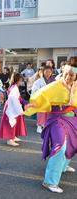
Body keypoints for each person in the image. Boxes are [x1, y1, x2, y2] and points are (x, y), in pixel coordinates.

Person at [24, 57, 77, 193]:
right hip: (57, 119)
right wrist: (33, 104)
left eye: (72, 75)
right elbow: (39, 95)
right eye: (66, 74)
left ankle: (63, 166)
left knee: (73, 143)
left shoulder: (76, 87)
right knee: (60, 145)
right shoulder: (56, 86)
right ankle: (50, 181)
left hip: (72, 119)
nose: (68, 77)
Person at [0, 73, 28, 146]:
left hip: (13, 106)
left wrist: (24, 102)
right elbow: (14, 99)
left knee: (14, 122)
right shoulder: (14, 88)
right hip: (11, 107)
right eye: (21, 80)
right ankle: (10, 139)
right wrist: (20, 108)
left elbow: (18, 98)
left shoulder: (14, 87)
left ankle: (13, 136)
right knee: (11, 122)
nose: (21, 82)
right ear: (18, 80)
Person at [31, 66, 55, 133]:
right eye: (46, 71)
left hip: (49, 100)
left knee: (48, 113)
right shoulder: (38, 81)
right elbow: (34, 90)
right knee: (41, 113)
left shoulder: (54, 81)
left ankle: (45, 125)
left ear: (51, 73)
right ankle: (39, 126)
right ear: (43, 72)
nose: (48, 73)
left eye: (49, 72)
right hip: (41, 99)